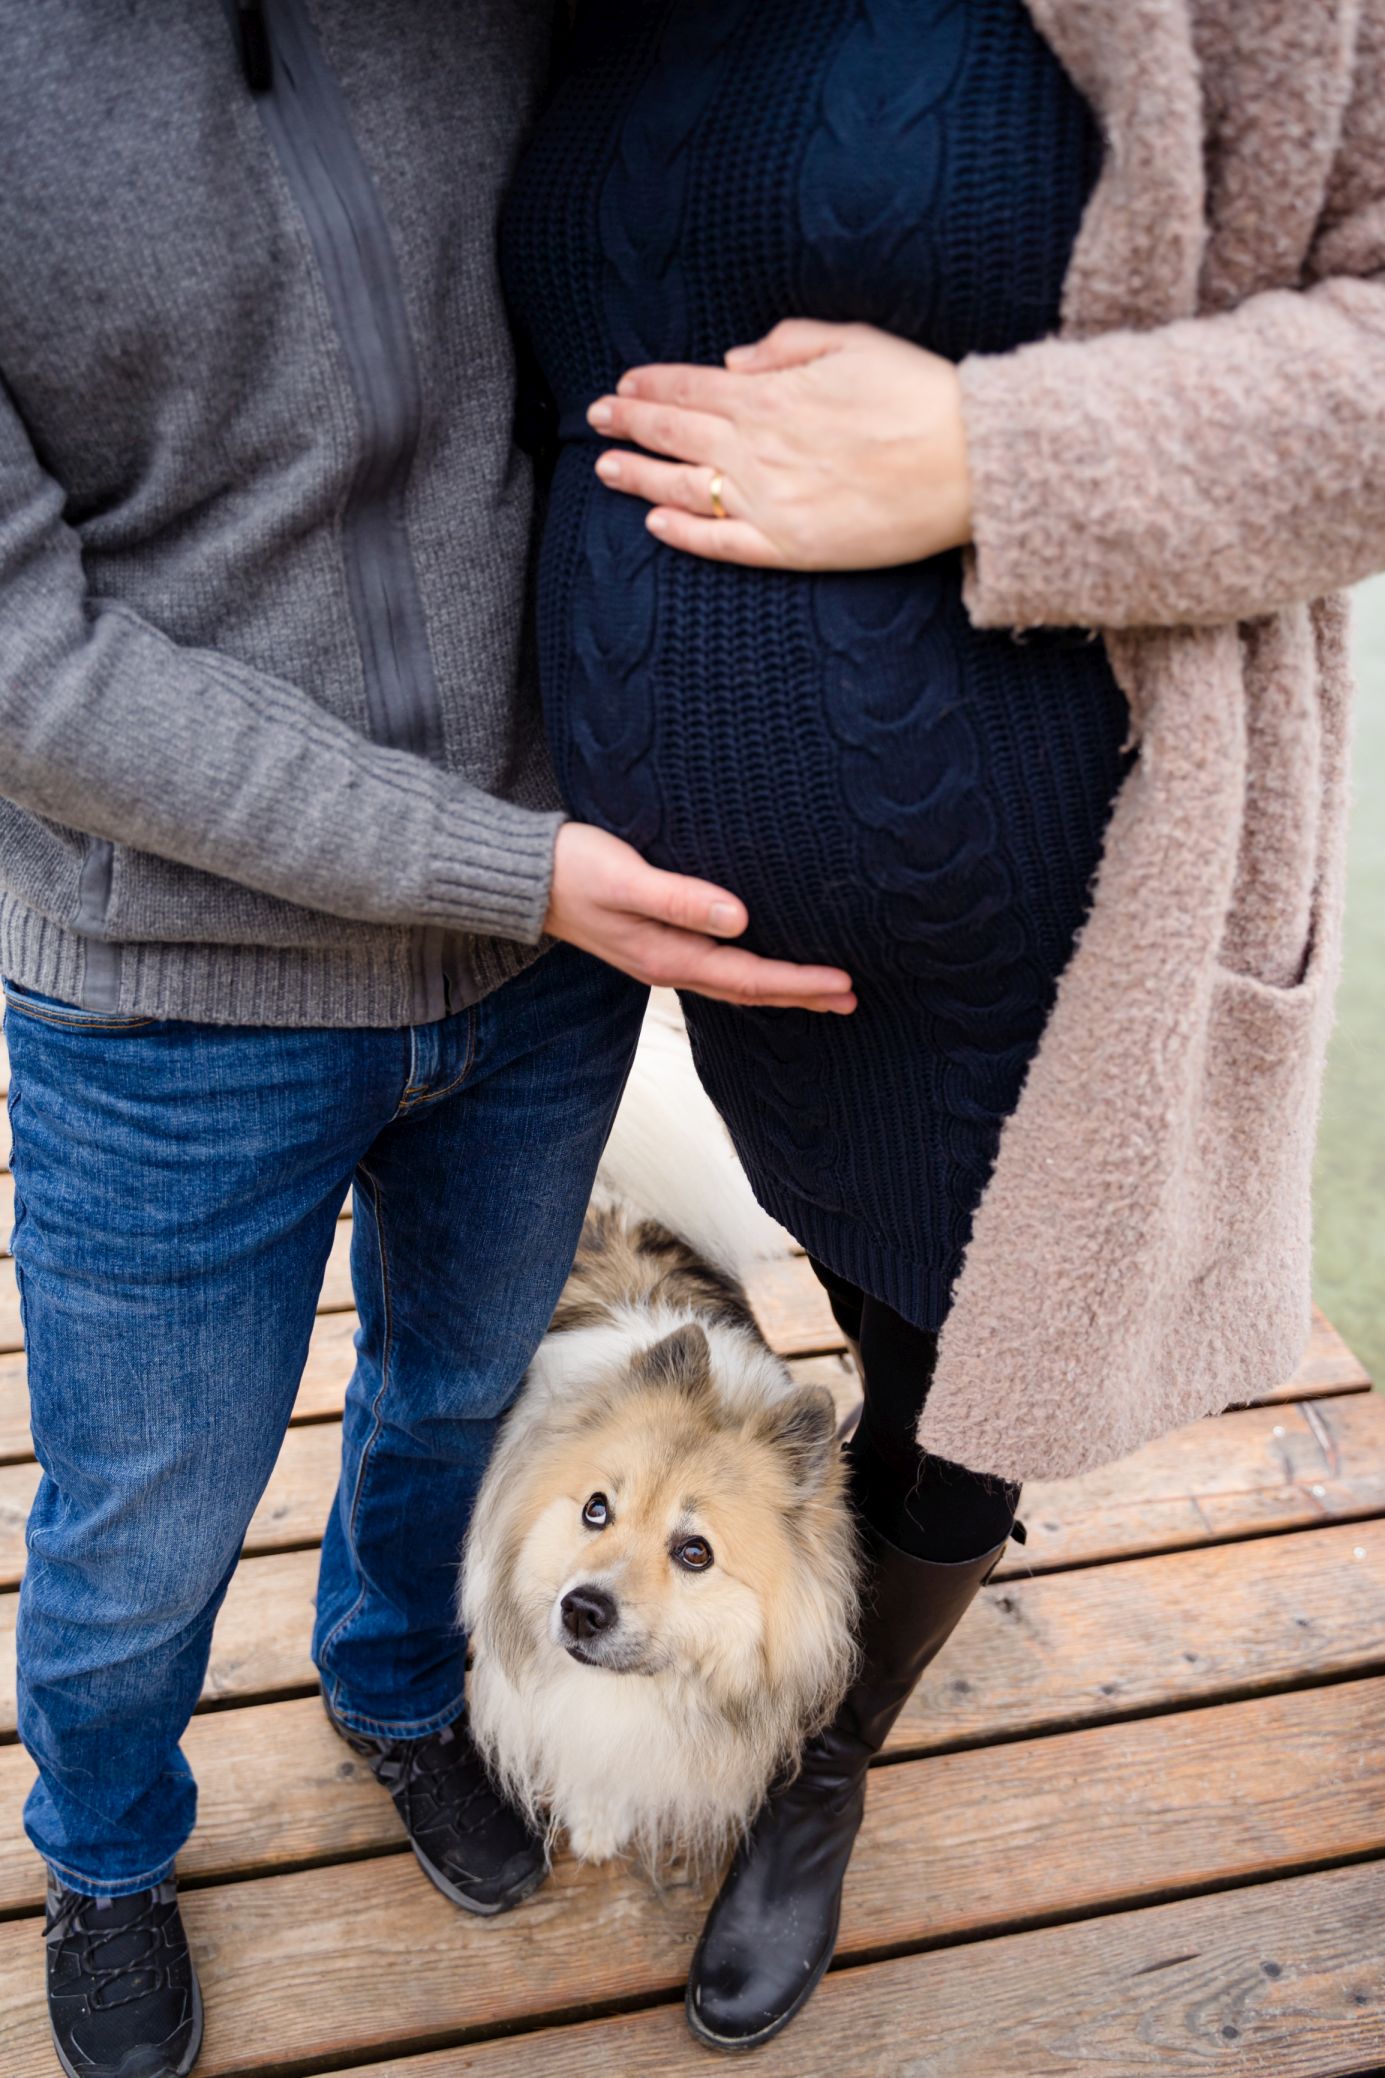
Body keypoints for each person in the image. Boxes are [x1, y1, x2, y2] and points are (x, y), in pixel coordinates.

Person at [501, 0, 1384, 2050]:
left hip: (1044, 968)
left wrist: (1006, 450)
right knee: (823, 1269)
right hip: (698, 954)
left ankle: (827, 1742)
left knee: (961, 1364)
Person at [0, 7, 856, 2074]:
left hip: (544, 949)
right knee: (141, 1523)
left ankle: (390, 1687)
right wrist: (506, 861)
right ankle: (104, 1843)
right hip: (167, 989)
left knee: (459, 1401)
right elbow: (32, 673)